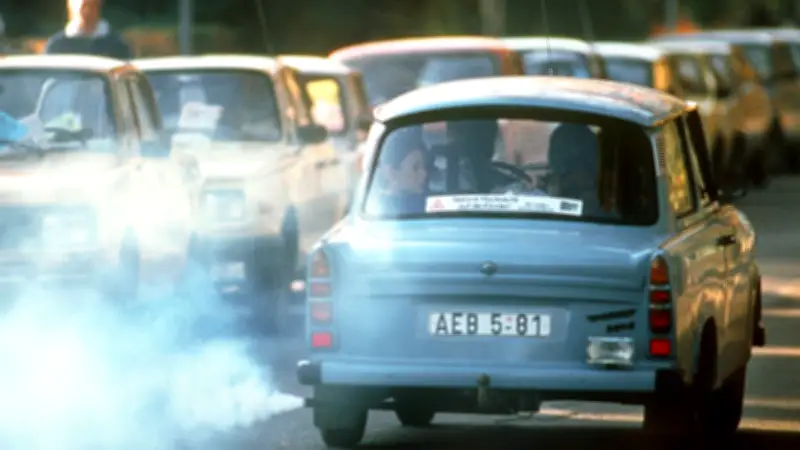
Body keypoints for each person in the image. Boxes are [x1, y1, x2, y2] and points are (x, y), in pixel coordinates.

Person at [368, 126, 428, 215]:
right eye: (415, 168)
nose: (424, 173)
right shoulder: (376, 211)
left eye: (425, 166)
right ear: (391, 172)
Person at [45, 0, 132, 59]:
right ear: (70, 5)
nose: (87, 12)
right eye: (83, 6)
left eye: (92, 5)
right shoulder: (57, 45)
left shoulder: (116, 44)